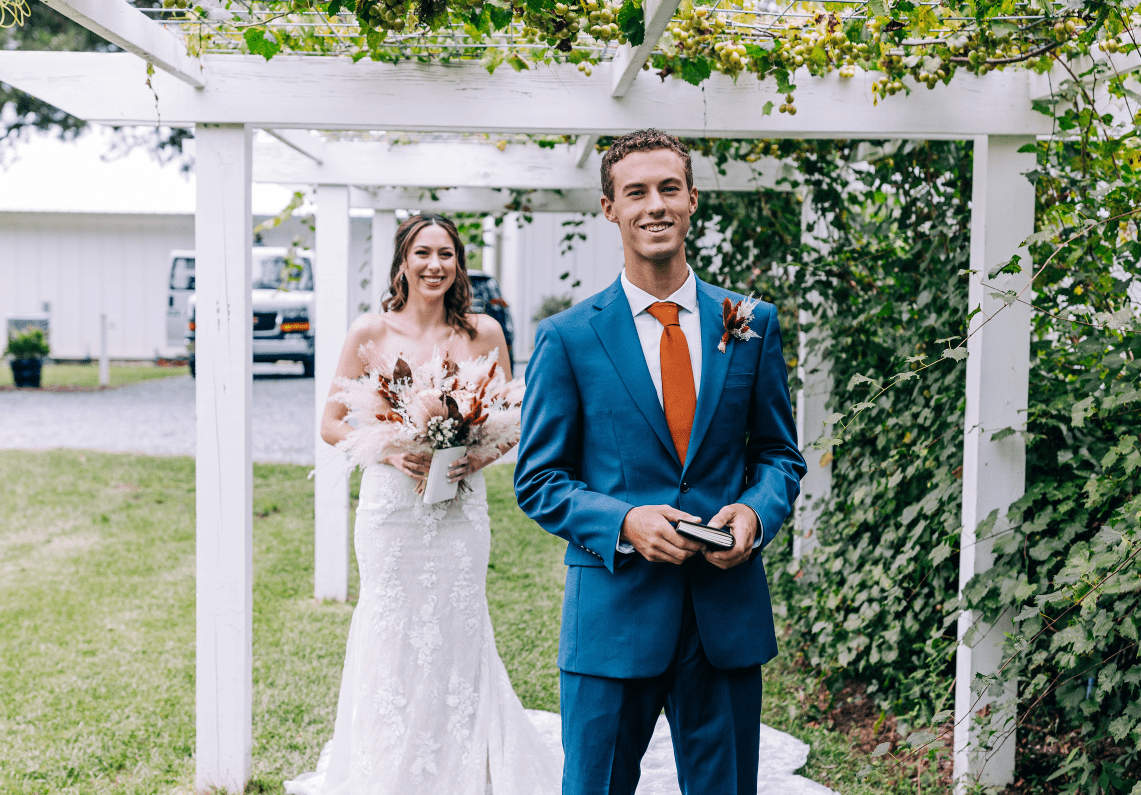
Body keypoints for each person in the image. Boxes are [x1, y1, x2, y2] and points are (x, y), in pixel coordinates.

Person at [514, 130, 807, 795]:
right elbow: (537, 480)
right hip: (613, 615)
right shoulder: (568, 337)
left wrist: (754, 514)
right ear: (608, 207)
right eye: (635, 191)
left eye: (668, 188)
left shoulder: (748, 321)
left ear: (692, 199)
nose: (654, 205)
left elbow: (779, 455)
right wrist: (625, 521)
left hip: (723, 616)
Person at [286, 213, 560, 795]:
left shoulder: (483, 333)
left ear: (459, 264)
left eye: (446, 254)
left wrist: (473, 459)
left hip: (459, 507)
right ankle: (388, 770)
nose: (435, 264)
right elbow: (331, 423)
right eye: (423, 253)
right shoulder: (370, 333)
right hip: (391, 512)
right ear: (403, 263)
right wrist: (389, 453)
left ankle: (465, 767)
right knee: (390, 628)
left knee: (458, 626)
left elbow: (512, 423)